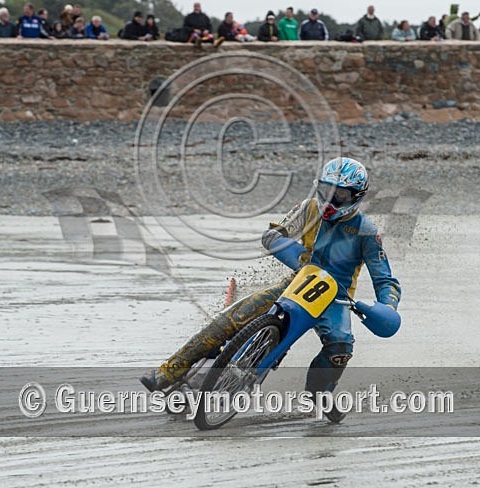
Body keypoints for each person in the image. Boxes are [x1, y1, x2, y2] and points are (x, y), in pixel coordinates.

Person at [140, 158, 402, 424]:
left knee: (340, 347)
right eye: (326, 190)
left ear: (356, 197)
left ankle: (320, 393)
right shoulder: (309, 208)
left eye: (340, 195)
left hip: (335, 300)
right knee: (235, 317)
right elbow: (273, 234)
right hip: (296, 282)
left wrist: (387, 307)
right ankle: (169, 371)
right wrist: (298, 257)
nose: (330, 200)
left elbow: (386, 281)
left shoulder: (367, 232)